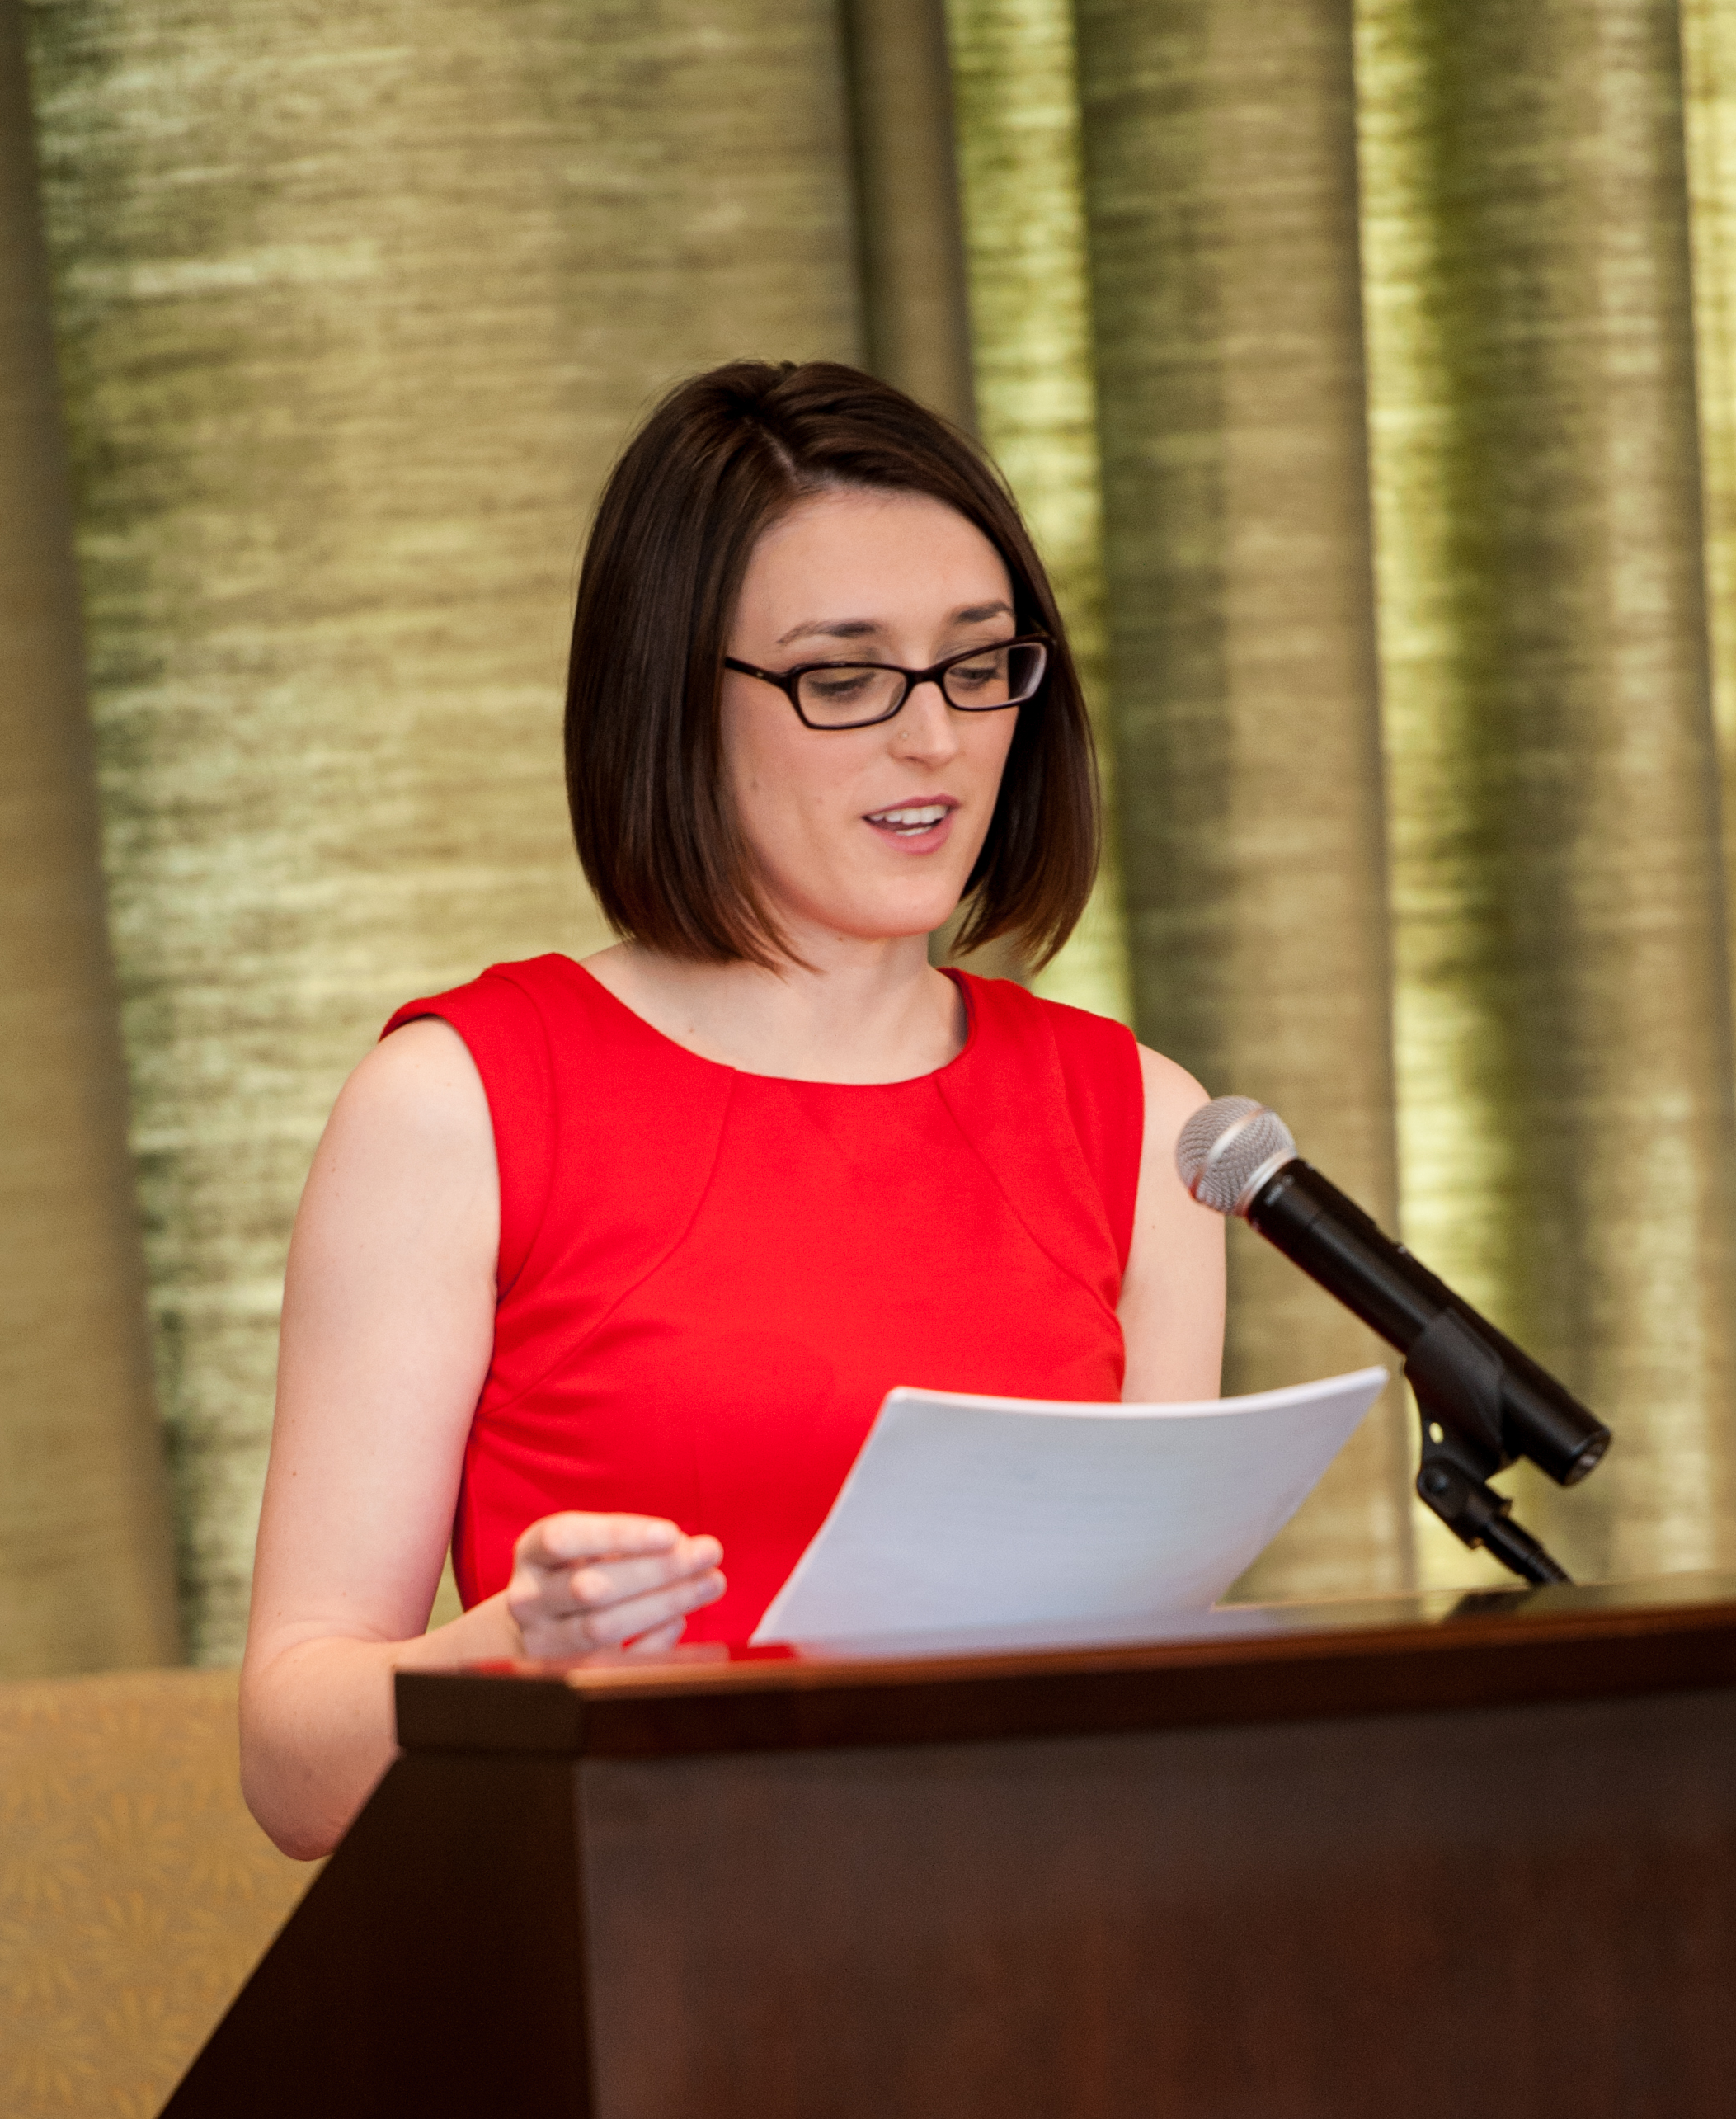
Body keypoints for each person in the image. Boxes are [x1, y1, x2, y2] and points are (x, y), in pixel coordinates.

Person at [240, 360, 1222, 1858]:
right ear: (671, 700)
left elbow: (1144, 1713)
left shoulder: (1143, 1125)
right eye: (844, 679)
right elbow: (292, 1774)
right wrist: (515, 1651)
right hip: (639, 1971)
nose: (936, 738)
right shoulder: (459, 1105)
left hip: (1047, 1970)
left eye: (979, 664)